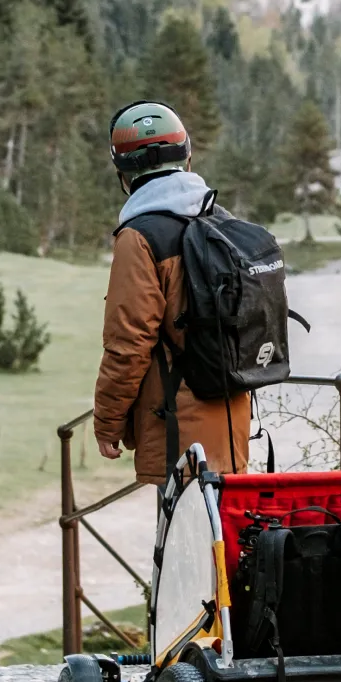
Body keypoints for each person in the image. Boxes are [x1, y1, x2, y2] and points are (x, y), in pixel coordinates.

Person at [91, 99, 251, 495]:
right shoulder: (223, 222)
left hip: (179, 428)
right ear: (187, 156)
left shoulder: (139, 237)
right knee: (227, 545)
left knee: (182, 550)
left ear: (123, 172)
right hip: (234, 417)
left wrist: (108, 422)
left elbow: (129, 343)